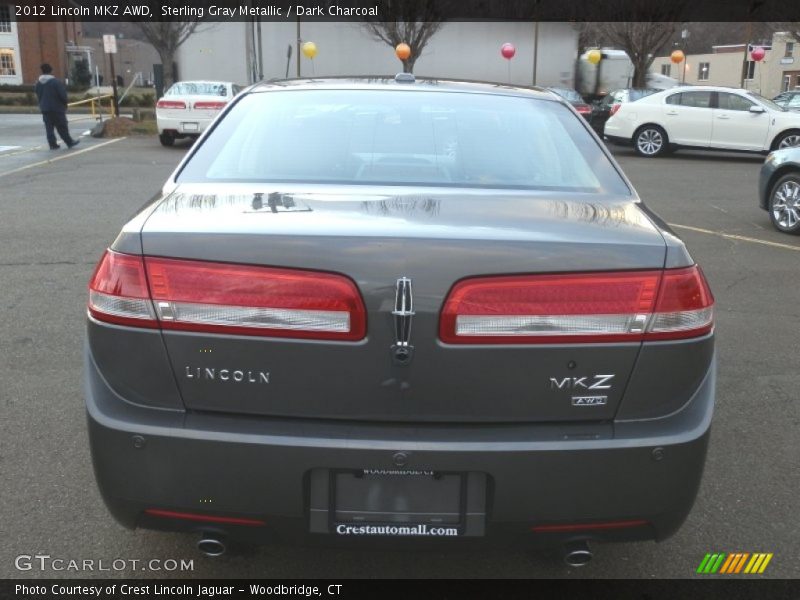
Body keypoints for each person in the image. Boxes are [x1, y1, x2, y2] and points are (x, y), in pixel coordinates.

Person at [34, 63, 79, 150]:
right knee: (62, 126)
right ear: (51, 71)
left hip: (45, 108)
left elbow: (38, 95)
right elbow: (62, 95)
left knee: (49, 128)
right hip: (57, 108)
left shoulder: (38, 83)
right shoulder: (55, 82)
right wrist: (65, 103)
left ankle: (52, 144)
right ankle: (69, 142)